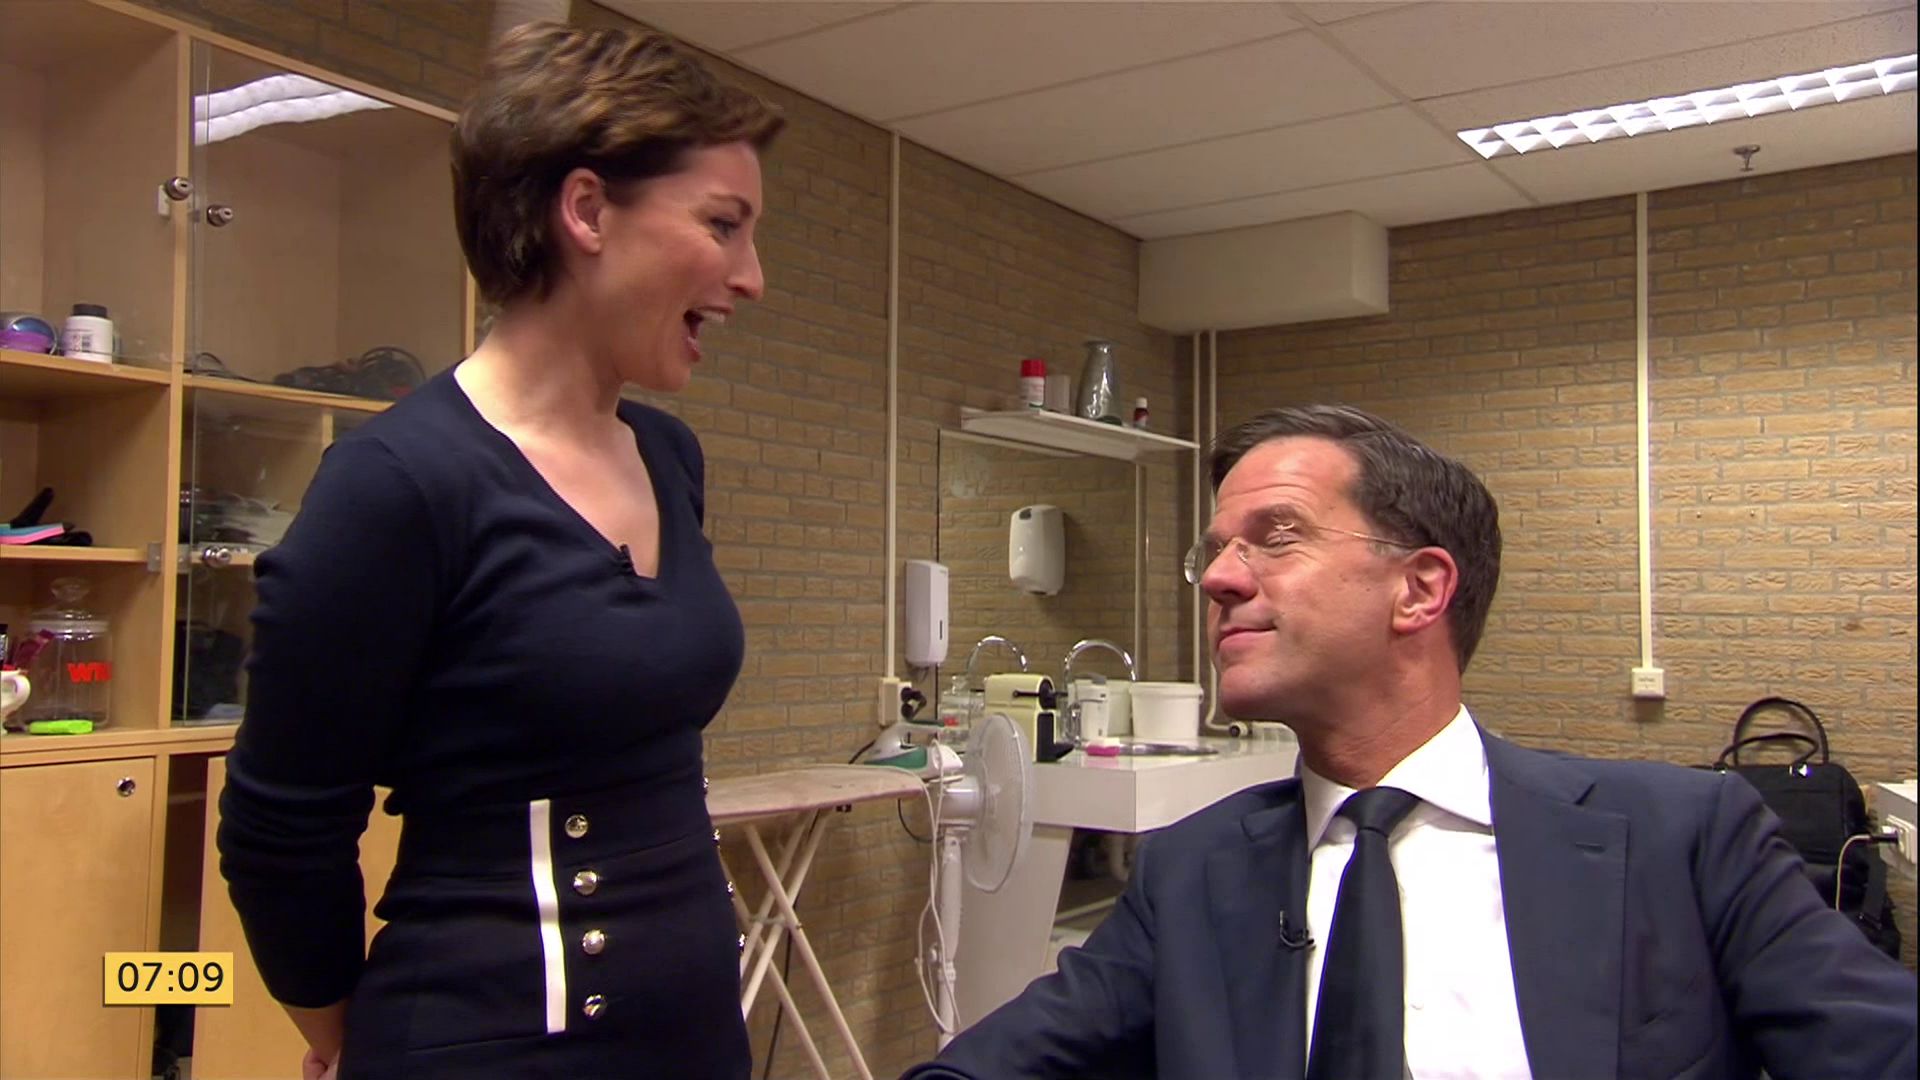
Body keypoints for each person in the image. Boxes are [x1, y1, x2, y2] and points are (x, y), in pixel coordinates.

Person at [906, 405, 1917, 1080]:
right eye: (1214, 551)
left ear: (1421, 589)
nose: (1218, 578)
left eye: (1276, 536)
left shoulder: (1682, 839)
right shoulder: (1193, 873)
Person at [216, 22, 781, 1079]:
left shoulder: (669, 457)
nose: (750, 278)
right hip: (485, 1044)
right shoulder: (397, 482)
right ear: (586, 211)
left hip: (696, 1031)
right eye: (723, 225)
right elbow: (282, 824)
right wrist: (340, 1037)